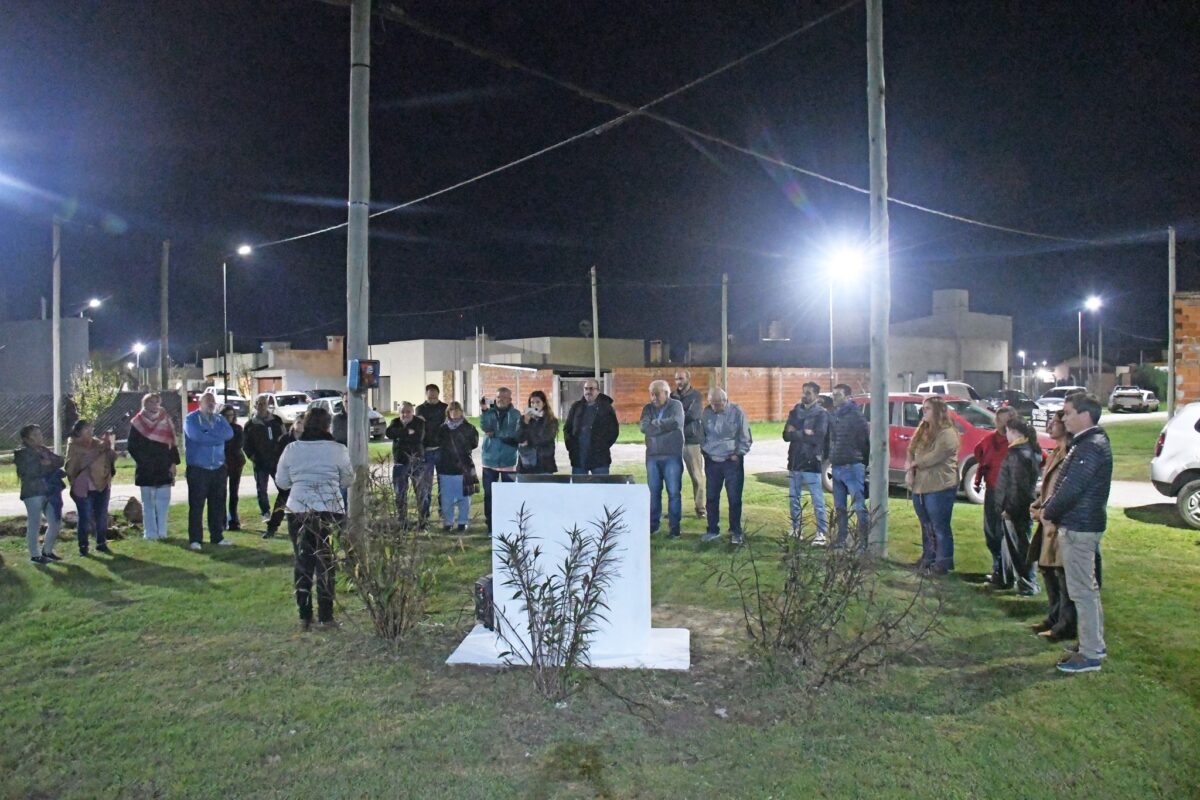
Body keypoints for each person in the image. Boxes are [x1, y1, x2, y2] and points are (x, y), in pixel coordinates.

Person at [1039, 392, 1112, 674]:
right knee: (1085, 589)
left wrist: (1048, 512)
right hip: (1080, 524)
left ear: (1085, 415)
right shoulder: (1087, 443)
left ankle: (1090, 653)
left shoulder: (1090, 446)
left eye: (1068, 412)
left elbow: (1072, 488)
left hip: (1080, 526)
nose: (1063, 418)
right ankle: (1093, 645)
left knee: (1082, 591)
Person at [274, 406, 353, 630]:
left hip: (299, 508)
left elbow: (282, 482)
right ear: (328, 426)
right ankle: (326, 616)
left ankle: (304, 615)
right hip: (329, 508)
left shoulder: (292, 449)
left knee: (303, 563)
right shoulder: (338, 449)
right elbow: (348, 479)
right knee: (325, 563)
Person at [1030, 410, 1075, 640]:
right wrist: (1037, 505)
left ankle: (1064, 625)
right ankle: (1053, 617)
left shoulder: (1070, 455)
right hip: (1047, 521)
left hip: (1058, 522)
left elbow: (1064, 491)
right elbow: (1048, 487)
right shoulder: (1056, 452)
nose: (1049, 426)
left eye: (1054, 423)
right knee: (1047, 570)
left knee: (1062, 575)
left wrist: (1046, 511)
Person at [905, 396, 961, 574]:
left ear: (937, 411)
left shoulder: (948, 433)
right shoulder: (923, 429)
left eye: (927, 408)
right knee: (926, 525)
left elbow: (935, 456)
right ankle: (928, 558)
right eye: (923, 408)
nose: (923, 411)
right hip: (921, 486)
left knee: (940, 527)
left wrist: (915, 464)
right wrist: (909, 469)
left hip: (940, 486)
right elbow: (911, 450)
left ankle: (943, 563)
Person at [995, 415, 1043, 595]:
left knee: (1019, 548)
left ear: (1015, 432)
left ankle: (1027, 584)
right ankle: (1007, 579)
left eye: (1007, 431)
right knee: (1011, 546)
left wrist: (1009, 508)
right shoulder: (1026, 451)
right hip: (1018, 506)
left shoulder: (1018, 454)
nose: (1006, 435)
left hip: (1016, 509)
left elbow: (1017, 485)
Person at [700, 387, 752, 544]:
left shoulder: (737, 412)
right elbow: (701, 434)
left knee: (734, 498)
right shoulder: (706, 412)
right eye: (712, 403)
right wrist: (705, 450)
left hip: (731, 461)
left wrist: (738, 453)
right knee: (711, 497)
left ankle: (735, 531)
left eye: (717, 404)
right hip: (712, 461)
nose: (714, 407)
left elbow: (745, 436)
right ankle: (712, 530)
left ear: (725, 400)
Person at [184, 391, 235, 550]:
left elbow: (229, 434)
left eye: (213, 402)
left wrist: (208, 434)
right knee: (197, 505)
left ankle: (217, 536)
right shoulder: (191, 419)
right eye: (208, 402)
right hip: (198, 469)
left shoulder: (219, 419)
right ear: (200, 403)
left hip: (218, 468)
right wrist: (217, 438)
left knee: (217, 504)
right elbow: (197, 437)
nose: (211, 405)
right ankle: (195, 539)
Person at [974, 406, 1018, 587]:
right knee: (992, 532)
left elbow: (1039, 458)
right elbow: (979, 453)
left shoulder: (1018, 442)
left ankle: (1008, 573)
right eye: (999, 420)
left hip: (1011, 492)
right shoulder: (990, 440)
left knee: (1007, 533)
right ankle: (997, 567)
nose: (1001, 424)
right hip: (993, 490)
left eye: (1005, 420)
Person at [127, 393, 180, 541]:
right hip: (146, 468)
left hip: (163, 466)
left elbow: (172, 443)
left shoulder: (165, 419)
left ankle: (162, 532)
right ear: (144, 404)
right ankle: (150, 533)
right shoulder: (137, 422)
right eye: (150, 402)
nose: (154, 405)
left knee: (163, 502)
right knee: (148, 503)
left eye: (156, 402)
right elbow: (132, 446)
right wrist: (144, 461)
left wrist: (173, 463)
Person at [783, 381, 830, 543]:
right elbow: (785, 435)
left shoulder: (821, 414)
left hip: (811, 461)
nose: (804, 395)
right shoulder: (795, 411)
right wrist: (804, 432)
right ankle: (796, 529)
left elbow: (818, 437)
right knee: (794, 498)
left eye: (808, 393)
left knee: (817, 499)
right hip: (795, 460)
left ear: (816, 395)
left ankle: (821, 533)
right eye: (803, 392)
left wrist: (796, 432)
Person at [64, 419, 117, 556]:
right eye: (86, 429)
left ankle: (101, 543)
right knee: (85, 517)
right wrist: (97, 451)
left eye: (91, 429)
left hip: (102, 485)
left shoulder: (98, 443)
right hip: (83, 488)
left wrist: (109, 447)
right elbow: (73, 467)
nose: (90, 432)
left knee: (102, 516)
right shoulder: (73, 446)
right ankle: (83, 546)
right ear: (78, 432)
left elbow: (111, 458)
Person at [640, 379, 685, 538]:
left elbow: (676, 422)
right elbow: (644, 427)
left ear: (666, 393)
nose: (653, 397)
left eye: (656, 394)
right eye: (651, 394)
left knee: (673, 492)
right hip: (652, 456)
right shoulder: (647, 408)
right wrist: (664, 427)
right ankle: (653, 526)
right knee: (653, 492)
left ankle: (674, 529)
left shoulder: (676, 406)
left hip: (672, 455)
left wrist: (656, 424)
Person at [14, 424, 65, 563]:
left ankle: (47, 551)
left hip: (50, 491)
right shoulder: (22, 453)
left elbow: (60, 460)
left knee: (55, 522)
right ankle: (35, 555)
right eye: (35, 435)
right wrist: (44, 464)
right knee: (35, 523)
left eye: (40, 433)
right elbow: (30, 471)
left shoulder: (43, 450)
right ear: (26, 438)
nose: (40, 437)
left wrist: (47, 463)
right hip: (33, 492)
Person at [828, 384, 869, 549]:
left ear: (848, 397)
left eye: (838, 395)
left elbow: (864, 441)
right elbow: (832, 438)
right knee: (840, 507)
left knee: (858, 506)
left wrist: (861, 461)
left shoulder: (855, 416)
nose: (834, 398)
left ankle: (863, 542)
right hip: (837, 465)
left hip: (852, 465)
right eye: (833, 394)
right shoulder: (834, 415)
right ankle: (841, 539)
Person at [480, 387, 522, 533]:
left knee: (508, 495)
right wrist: (484, 410)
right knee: (489, 495)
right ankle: (491, 526)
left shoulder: (516, 415)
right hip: (489, 460)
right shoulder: (489, 413)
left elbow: (513, 434)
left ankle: (508, 525)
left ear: (510, 399)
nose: (501, 400)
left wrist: (496, 433)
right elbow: (485, 428)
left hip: (508, 460)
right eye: (498, 397)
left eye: (504, 397)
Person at [435, 401, 479, 532]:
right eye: (451, 410)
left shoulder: (469, 428)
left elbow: (474, 444)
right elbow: (438, 443)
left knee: (464, 497)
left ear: (461, 412)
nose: (454, 412)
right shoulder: (442, 429)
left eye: (457, 410)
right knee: (446, 498)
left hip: (463, 467)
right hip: (446, 467)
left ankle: (462, 522)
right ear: (448, 412)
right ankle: (448, 522)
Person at [243, 395, 286, 524]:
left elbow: (284, 437)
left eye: (264, 403)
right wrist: (253, 457)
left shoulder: (276, 420)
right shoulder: (250, 424)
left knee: (283, 487)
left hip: (276, 461)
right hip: (260, 462)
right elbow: (246, 444)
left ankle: (281, 511)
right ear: (255, 405)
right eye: (259, 404)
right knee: (262, 489)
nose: (262, 406)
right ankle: (265, 512)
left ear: (267, 405)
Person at [563, 379, 619, 475]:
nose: (588, 391)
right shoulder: (576, 407)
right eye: (586, 389)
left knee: (600, 484)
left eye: (591, 389)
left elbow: (614, 431)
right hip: (579, 459)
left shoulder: (606, 408)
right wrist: (571, 447)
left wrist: (602, 446)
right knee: (579, 485)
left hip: (600, 460)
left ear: (598, 391)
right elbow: (567, 429)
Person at [263, 412, 304, 539]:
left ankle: (302, 528)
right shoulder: (285, 439)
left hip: (301, 476)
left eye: (303, 423)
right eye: (299, 422)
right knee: (282, 501)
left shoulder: (307, 440)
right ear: (294, 424)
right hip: (287, 475)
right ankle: (272, 527)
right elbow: (277, 458)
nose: (301, 426)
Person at [672, 370, 707, 518]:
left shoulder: (696, 395)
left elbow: (694, 415)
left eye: (681, 379)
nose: (678, 382)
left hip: (691, 440)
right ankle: (674, 509)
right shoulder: (672, 396)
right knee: (673, 477)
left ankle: (700, 508)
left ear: (688, 379)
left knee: (697, 476)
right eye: (676, 379)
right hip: (675, 441)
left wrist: (675, 419)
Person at [386, 401, 427, 527]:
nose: (405, 414)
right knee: (400, 493)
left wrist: (400, 435)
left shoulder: (419, 423)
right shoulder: (395, 422)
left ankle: (423, 521)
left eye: (408, 412)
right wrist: (406, 432)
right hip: (400, 462)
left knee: (421, 492)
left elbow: (418, 438)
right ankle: (402, 520)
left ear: (412, 412)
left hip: (416, 462)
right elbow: (389, 433)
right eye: (402, 412)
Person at [416, 384, 448, 521]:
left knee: (443, 483)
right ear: (426, 394)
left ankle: (444, 511)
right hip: (426, 451)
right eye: (430, 393)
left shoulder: (445, 408)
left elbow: (446, 425)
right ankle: (424, 514)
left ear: (438, 393)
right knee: (425, 485)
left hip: (442, 450)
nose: (432, 395)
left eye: (434, 392)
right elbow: (420, 426)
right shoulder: (420, 409)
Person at [518, 390, 559, 475]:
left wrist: (528, 441)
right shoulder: (524, 419)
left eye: (538, 402)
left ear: (544, 404)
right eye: (532, 402)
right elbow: (519, 438)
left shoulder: (551, 420)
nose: (534, 405)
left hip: (544, 463)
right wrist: (525, 422)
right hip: (526, 462)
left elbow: (544, 439)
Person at [221, 405, 247, 531]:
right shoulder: (218, 428)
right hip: (222, 462)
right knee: (222, 492)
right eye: (226, 416)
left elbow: (238, 444)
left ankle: (233, 519)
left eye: (231, 415)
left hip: (236, 462)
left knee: (234, 492)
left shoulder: (237, 428)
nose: (229, 418)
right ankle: (222, 519)